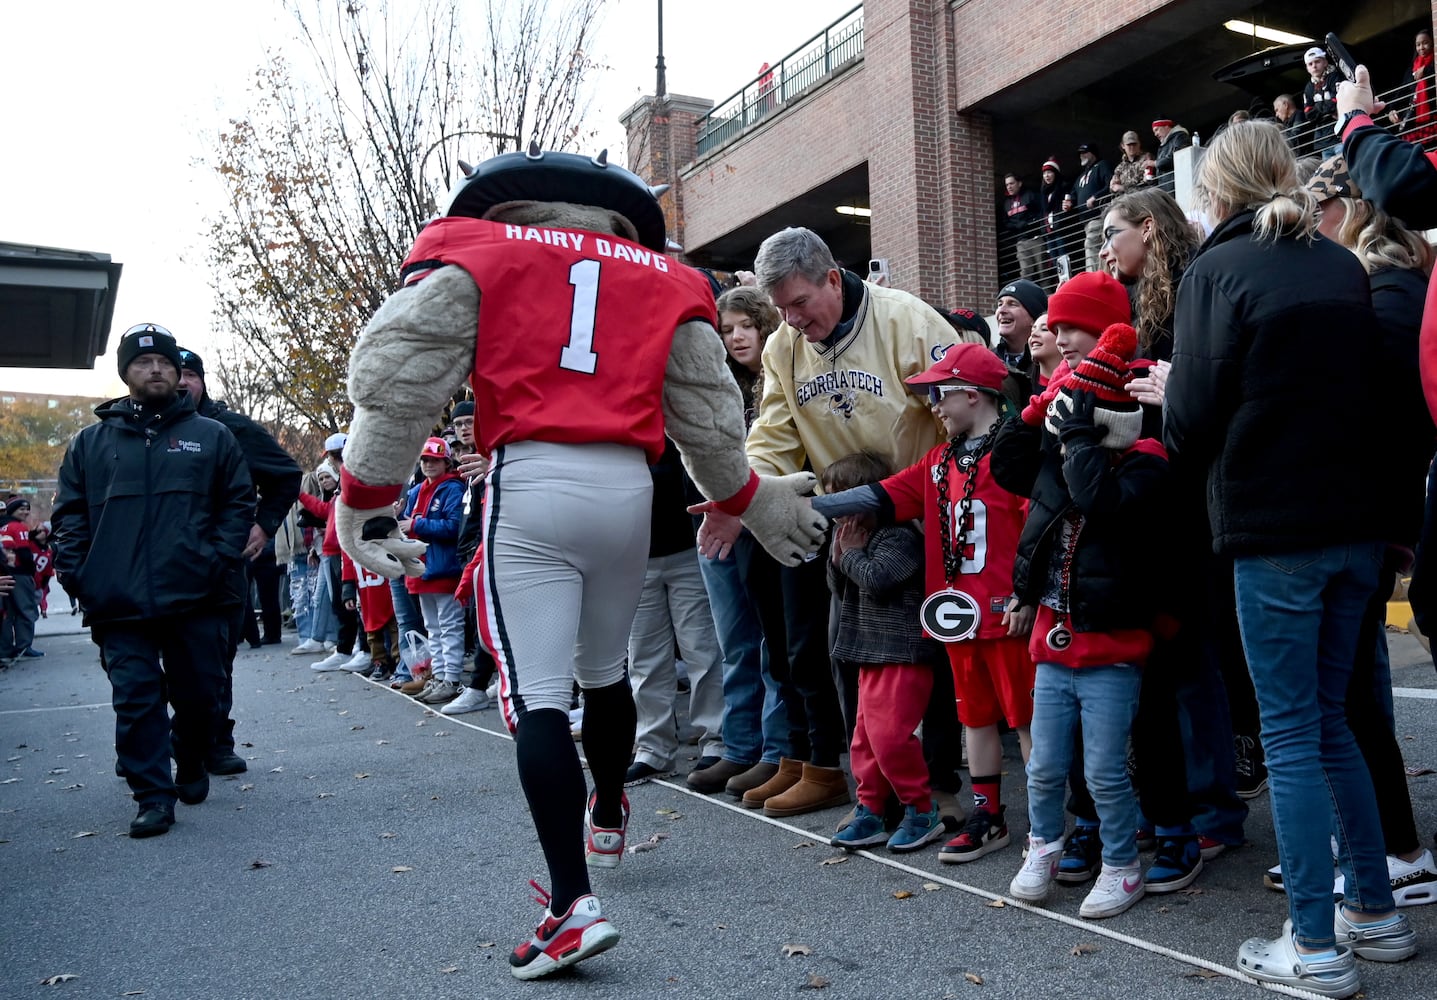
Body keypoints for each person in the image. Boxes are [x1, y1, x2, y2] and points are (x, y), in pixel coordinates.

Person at [333, 149, 825, 980]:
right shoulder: (668, 278)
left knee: (535, 699)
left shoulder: (483, 252)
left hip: (531, 478)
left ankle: (569, 905)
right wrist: (750, 498)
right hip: (628, 492)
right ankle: (606, 808)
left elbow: (398, 376)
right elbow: (708, 419)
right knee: (607, 674)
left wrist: (363, 493)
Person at [1165, 121, 1415, 996]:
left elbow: (1189, 419)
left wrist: (1168, 399)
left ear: (1217, 191)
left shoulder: (1217, 270)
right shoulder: (1341, 264)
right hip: (1352, 526)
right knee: (1332, 722)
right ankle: (1374, 915)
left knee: (1292, 735)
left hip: (1274, 529)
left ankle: (1312, 943)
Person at [694, 225, 964, 821]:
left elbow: (965, 414)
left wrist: (929, 494)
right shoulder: (782, 347)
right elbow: (773, 436)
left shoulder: (908, 322)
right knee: (853, 654)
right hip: (849, 522)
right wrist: (741, 497)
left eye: (800, 303)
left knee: (931, 653)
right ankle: (877, 786)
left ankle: (940, 784)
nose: (792, 321)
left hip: (922, 512)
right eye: (781, 309)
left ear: (833, 280)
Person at [814, 344, 1034, 866]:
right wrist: (779, 504)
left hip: (1006, 614)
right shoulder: (938, 462)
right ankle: (989, 817)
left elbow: (1036, 529)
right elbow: (874, 496)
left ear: (974, 394)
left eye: (941, 391)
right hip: (957, 619)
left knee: (1027, 724)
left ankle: (1048, 828)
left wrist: (1027, 594)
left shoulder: (1019, 450)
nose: (932, 402)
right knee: (974, 721)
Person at [993, 275, 1168, 921]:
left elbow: (1099, 501)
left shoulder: (1144, 454)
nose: (1059, 339)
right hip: (1051, 641)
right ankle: (1043, 844)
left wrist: (1078, 435)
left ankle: (1121, 865)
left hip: (1110, 647)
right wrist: (1041, 408)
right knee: (1041, 771)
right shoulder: (1060, 441)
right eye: (1057, 328)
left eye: (1072, 329)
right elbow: (1007, 464)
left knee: (1104, 773)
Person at [51, 323, 254, 838]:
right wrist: (81, 576)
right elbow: (69, 518)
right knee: (135, 698)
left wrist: (217, 559)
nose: (157, 369)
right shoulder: (89, 444)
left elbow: (237, 504)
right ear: (125, 373)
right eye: (144, 363)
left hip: (197, 595)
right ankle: (152, 796)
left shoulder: (212, 436)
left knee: (198, 694)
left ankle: (189, 759)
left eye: (165, 362)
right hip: (117, 600)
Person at [1303, 154, 1437, 906]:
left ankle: (1394, 848)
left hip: (1372, 518)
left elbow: (1385, 416)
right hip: (1375, 515)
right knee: (1348, 694)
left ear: (1347, 212)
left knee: (1350, 697)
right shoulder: (1383, 282)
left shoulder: (1383, 286)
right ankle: (1373, 840)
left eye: (1314, 212)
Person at [687, 286, 793, 796]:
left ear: (763, 323)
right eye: (725, 331)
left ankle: (776, 752)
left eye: (742, 326)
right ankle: (740, 746)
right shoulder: (716, 383)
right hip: (716, 523)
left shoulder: (782, 374)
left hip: (765, 524)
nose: (734, 338)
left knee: (774, 643)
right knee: (734, 644)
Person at [176, 348, 301, 773]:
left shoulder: (230, 429)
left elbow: (286, 474)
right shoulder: (131, 430)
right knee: (149, 666)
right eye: (176, 373)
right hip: (152, 569)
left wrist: (264, 526)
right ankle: (151, 743)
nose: (180, 383)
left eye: (190, 374)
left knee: (215, 661)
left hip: (220, 566)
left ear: (202, 381)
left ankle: (215, 742)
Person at [819, 450, 945, 853]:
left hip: (902, 652)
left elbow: (880, 580)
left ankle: (921, 809)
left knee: (891, 738)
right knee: (864, 741)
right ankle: (870, 808)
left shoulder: (900, 535)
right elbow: (841, 591)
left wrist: (851, 554)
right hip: (867, 650)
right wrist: (839, 558)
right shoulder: (851, 537)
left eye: (842, 499)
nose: (837, 513)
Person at [623, 439, 726, 784]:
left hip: (688, 545)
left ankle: (716, 740)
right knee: (644, 657)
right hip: (636, 554)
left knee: (702, 650)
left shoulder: (678, 414)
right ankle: (653, 748)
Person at [399, 437, 466, 703]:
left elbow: (453, 527)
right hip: (421, 570)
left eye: (434, 460)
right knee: (433, 628)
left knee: (450, 626)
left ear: (446, 462)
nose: (428, 464)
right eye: (425, 460)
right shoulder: (415, 492)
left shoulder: (452, 489)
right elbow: (405, 526)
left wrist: (416, 524)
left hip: (444, 569)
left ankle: (452, 678)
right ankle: (438, 676)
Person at [443, 400, 499, 715]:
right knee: (480, 622)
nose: (465, 428)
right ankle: (493, 680)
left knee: (488, 623)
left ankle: (477, 686)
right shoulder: (464, 465)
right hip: (470, 553)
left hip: (489, 550)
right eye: (459, 423)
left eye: (469, 421)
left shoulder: (491, 456)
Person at [303, 439, 369, 673]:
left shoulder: (354, 483)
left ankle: (361, 648)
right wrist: (301, 497)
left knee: (352, 602)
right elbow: (326, 512)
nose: (334, 461)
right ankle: (347, 648)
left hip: (347, 550)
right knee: (342, 603)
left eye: (336, 457)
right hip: (333, 552)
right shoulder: (340, 491)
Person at [992, 278, 1047, 407]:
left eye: (1012, 304)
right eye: (1000, 304)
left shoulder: (1049, 360)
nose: (1002, 310)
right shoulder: (988, 360)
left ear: (1034, 318)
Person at [0, 497, 41, 663]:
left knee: (7, 613)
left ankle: (5, 649)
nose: (25, 512)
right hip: (20, 574)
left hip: (5, 573)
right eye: (21, 509)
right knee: (26, 610)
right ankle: (24, 646)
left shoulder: (3, 526)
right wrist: (31, 571)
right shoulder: (18, 527)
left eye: (27, 509)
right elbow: (24, 554)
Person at [1064, 143, 1114, 274]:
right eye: (1080, 154)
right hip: (1085, 223)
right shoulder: (1080, 177)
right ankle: (1099, 275)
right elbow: (1073, 195)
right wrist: (1068, 203)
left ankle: (1094, 277)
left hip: (1098, 217)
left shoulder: (1102, 165)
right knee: (1093, 250)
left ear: (1093, 153)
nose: (1082, 156)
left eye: (1085, 153)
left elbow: (1110, 184)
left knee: (1091, 245)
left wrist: (1096, 197)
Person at [1387, 29, 1436, 148]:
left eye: (1425, 43)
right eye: (1418, 45)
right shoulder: (1411, 69)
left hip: (1432, 119)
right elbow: (1402, 91)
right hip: (1414, 123)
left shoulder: (1433, 64)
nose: (1421, 48)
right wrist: (1392, 109)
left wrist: (1426, 70)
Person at [999, 173, 1044, 284]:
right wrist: (1015, 227)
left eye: (1011, 183)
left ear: (1019, 183)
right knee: (1025, 272)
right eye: (1007, 185)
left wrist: (1029, 223)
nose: (1009, 187)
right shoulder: (1006, 203)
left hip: (1036, 238)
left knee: (1043, 270)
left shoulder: (1030, 195)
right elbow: (1005, 222)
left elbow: (1041, 212)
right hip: (1021, 242)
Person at [1304, 46, 1347, 157]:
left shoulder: (1336, 77)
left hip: (1340, 134)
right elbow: (1309, 114)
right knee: (1329, 173)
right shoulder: (1308, 88)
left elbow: (1337, 101)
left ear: (1325, 62)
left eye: (1317, 61)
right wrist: (1327, 108)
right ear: (1307, 69)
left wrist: (1318, 107)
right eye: (1310, 64)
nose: (1314, 66)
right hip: (1323, 141)